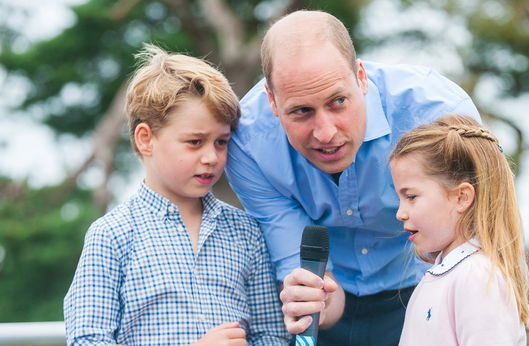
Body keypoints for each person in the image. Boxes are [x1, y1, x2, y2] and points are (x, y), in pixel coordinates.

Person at [224, 9, 481, 345]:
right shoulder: (248, 145)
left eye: (338, 102)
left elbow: (471, 239)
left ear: (361, 77)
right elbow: (298, 258)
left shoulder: (440, 115)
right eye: (302, 111)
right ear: (272, 101)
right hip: (326, 302)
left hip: (425, 283)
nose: (326, 133)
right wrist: (319, 297)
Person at [63, 44, 289, 345]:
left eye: (221, 142)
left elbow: (272, 334)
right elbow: (87, 340)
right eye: (195, 142)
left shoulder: (246, 233)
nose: (211, 156)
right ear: (146, 139)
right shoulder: (112, 235)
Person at [390, 114, 529, 345]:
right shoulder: (442, 275)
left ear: (461, 197)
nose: (400, 213)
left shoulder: (477, 276)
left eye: (411, 197)